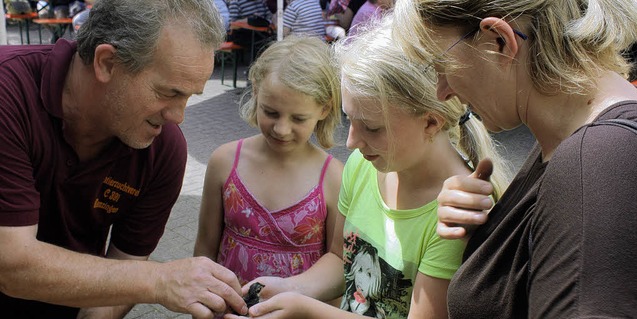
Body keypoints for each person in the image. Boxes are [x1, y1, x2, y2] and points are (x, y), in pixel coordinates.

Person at [226, 17, 510, 319]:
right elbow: (341, 259)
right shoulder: (364, 165)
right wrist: (290, 289)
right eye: (350, 120)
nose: (350, 143)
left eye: (372, 128)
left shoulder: (456, 213)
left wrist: (307, 311)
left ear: (430, 122)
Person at [0, 0, 249, 318]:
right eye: (169, 92)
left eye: (189, 96)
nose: (178, 116)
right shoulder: (9, 93)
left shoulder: (163, 149)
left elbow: (125, 265)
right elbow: (10, 264)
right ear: (106, 63)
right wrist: (160, 280)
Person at [391, 0, 637, 317]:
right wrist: (493, 241)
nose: (441, 92)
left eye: (441, 67)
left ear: (498, 42)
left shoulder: (597, 159)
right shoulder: (572, 144)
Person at [194, 35, 344, 288]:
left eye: (298, 118)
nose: (282, 129)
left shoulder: (334, 179)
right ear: (255, 91)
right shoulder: (224, 162)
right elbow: (205, 248)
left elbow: (338, 262)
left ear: (324, 109)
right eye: (271, 112)